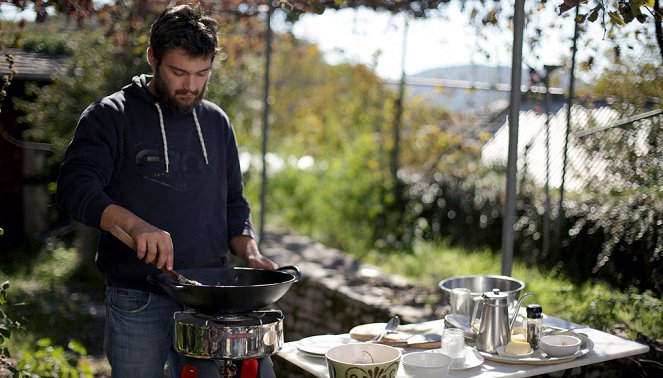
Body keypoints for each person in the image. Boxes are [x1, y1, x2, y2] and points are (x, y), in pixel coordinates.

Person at [55, 3, 277, 377]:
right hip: (138, 297)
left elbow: (234, 201)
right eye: (178, 72)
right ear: (152, 57)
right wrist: (134, 225)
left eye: (201, 73)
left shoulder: (216, 122)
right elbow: (75, 188)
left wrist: (248, 250)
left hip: (211, 297)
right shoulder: (111, 115)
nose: (190, 85)